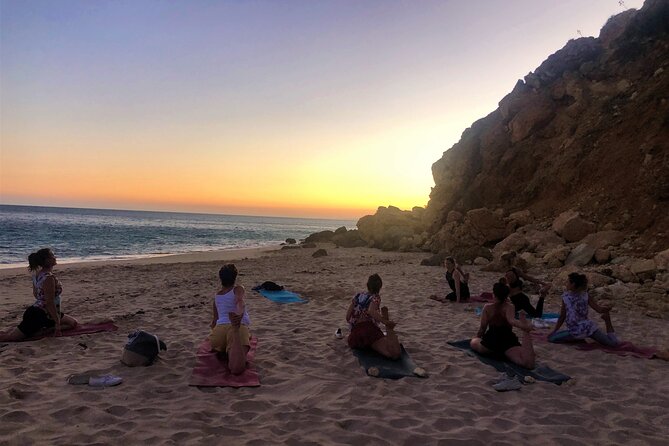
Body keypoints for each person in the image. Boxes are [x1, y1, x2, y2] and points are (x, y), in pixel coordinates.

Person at [0, 248, 79, 341]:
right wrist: (57, 324)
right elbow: (49, 303)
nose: (55, 257)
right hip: (40, 315)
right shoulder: (49, 278)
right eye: (52, 256)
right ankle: (42, 329)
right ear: (47, 260)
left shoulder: (37, 274)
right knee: (9, 338)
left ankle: (42, 329)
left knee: (72, 323)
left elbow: (36, 295)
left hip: (40, 311)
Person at [470, 282, 536, 369]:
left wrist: (478, 338)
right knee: (527, 363)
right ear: (506, 295)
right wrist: (523, 326)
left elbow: (482, 329)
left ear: (494, 294)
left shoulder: (487, 308)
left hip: (490, 344)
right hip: (507, 343)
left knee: (473, 341)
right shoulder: (509, 307)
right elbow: (512, 321)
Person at [548, 272, 620, 346]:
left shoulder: (567, 297)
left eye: (568, 282)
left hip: (579, 330)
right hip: (586, 328)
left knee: (551, 338)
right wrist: (607, 308)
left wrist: (555, 330)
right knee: (612, 344)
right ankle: (579, 338)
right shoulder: (582, 296)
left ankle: (607, 321)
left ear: (573, 284)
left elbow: (562, 316)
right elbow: (599, 309)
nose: (566, 283)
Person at [346, 273, 401, 360]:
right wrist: (385, 322)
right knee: (394, 353)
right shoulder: (375, 297)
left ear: (367, 285)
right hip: (368, 332)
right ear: (380, 287)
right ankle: (388, 331)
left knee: (371, 342)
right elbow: (371, 311)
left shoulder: (358, 296)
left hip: (354, 337)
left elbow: (348, 317)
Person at [209, 263, 251, 375]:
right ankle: (234, 342)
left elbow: (214, 321)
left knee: (223, 340)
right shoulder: (237, 289)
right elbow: (239, 301)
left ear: (220, 278)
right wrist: (238, 315)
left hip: (219, 332)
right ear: (235, 277)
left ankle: (225, 348)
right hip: (236, 326)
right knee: (237, 368)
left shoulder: (217, 296)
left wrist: (213, 332)